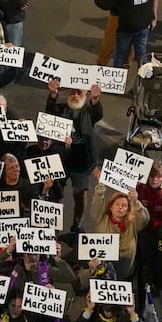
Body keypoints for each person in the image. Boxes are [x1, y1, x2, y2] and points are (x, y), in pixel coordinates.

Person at [45, 80, 103, 231]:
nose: (76, 95)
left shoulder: (89, 112)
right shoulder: (60, 108)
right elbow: (49, 113)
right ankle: (51, 228)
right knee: (55, 195)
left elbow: (98, 113)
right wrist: (53, 94)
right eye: (73, 92)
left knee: (80, 196)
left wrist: (96, 100)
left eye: (80, 92)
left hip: (82, 161)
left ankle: (77, 226)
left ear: (85, 95)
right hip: (61, 160)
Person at [90, 173, 150, 281]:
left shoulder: (133, 222)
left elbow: (145, 218)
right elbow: (97, 204)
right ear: (111, 207)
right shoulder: (102, 218)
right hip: (103, 272)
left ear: (127, 210)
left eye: (124, 205)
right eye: (117, 204)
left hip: (125, 273)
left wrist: (136, 202)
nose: (120, 207)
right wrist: (100, 187)